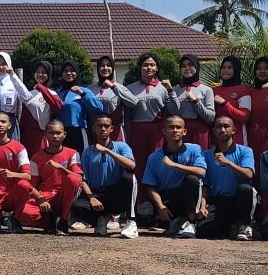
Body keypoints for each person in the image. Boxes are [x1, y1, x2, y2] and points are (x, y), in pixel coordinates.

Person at [72, 113, 139, 238]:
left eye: (106, 126)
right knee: (76, 206)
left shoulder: (121, 146)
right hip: (97, 195)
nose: (103, 129)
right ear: (93, 128)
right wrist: (91, 197)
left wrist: (107, 151)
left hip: (115, 194)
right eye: (100, 125)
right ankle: (101, 219)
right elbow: (83, 178)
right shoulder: (87, 152)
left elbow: (131, 165)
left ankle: (131, 221)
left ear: (111, 129)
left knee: (130, 178)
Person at [141, 115, 207, 238]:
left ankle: (191, 222)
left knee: (192, 179)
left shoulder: (195, 149)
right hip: (165, 197)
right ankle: (177, 222)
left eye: (178, 127)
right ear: (164, 131)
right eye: (171, 127)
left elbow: (201, 171)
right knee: (142, 215)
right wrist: (160, 207)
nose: (175, 130)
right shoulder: (154, 157)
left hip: (185, 196)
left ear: (184, 131)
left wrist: (174, 165)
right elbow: (150, 186)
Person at [17, 119, 83, 235]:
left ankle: (64, 220)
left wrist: (61, 168)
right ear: (46, 134)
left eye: (58, 133)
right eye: (51, 133)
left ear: (64, 134)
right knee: (24, 214)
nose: (55, 136)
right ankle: (50, 222)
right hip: (45, 194)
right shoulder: (36, 157)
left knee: (73, 179)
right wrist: (40, 199)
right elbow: (32, 185)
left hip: (64, 194)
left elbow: (78, 178)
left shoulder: (73, 153)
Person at [195, 115, 256, 240]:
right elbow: (206, 185)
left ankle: (245, 225)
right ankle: (231, 227)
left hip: (239, 200)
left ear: (233, 130)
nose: (222, 130)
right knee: (202, 231)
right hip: (219, 201)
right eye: (218, 127)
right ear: (214, 131)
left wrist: (228, 163)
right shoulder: (207, 155)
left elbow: (249, 174)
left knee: (245, 189)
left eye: (226, 126)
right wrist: (203, 206)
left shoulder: (245, 151)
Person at [123, 53, 175, 196]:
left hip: (157, 130)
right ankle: (140, 199)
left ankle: (159, 198)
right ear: (139, 67)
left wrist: (170, 90)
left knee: (157, 163)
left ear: (157, 68)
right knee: (139, 165)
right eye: (145, 65)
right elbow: (127, 116)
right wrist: (127, 136)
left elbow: (172, 111)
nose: (149, 68)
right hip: (137, 130)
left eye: (152, 65)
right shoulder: (130, 88)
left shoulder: (163, 88)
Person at [55, 59, 103, 152]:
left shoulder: (84, 91)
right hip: (61, 133)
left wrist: (82, 94)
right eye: (65, 70)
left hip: (79, 132)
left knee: (80, 158)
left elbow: (99, 108)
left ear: (77, 72)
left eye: (72, 70)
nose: (69, 73)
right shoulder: (57, 93)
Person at [170, 54, 215, 149]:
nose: (187, 68)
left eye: (190, 65)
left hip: (200, 131)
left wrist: (196, 101)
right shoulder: (175, 90)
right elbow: (172, 113)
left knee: (199, 156)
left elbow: (210, 118)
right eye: (183, 66)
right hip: (179, 131)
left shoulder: (206, 90)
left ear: (197, 67)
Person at [0, 52, 30, 142]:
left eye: (4, 64)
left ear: (9, 64)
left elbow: (26, 97)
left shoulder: (14, 83)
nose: (1, 67)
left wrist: (13, 76)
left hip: (9, 122)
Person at [19, 60, 62, 157]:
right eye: (38, 72)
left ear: (49, 75)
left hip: (42, 138)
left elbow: (57, 107)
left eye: (44, 72)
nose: (40, 75)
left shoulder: (52, 93)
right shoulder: (28, 94)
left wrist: (41, 88)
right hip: (26, 137)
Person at [88, 56, 129, 142]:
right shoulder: (90, 89)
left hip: (115, 132)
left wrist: (113, 86)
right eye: (102, 65)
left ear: (112, 68)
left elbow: (132, 103)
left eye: (108, 65)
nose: (105, 68)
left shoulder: (120, 88)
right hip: (96, 132)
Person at [212, 56, 251, 145]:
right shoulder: (213, 90)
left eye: (230, 67)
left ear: (236, 70)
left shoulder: (243, 91)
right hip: (217, 139)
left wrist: (224, 103)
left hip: (237, 139)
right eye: (223, 67)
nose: (226, 70)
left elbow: (244, 116)